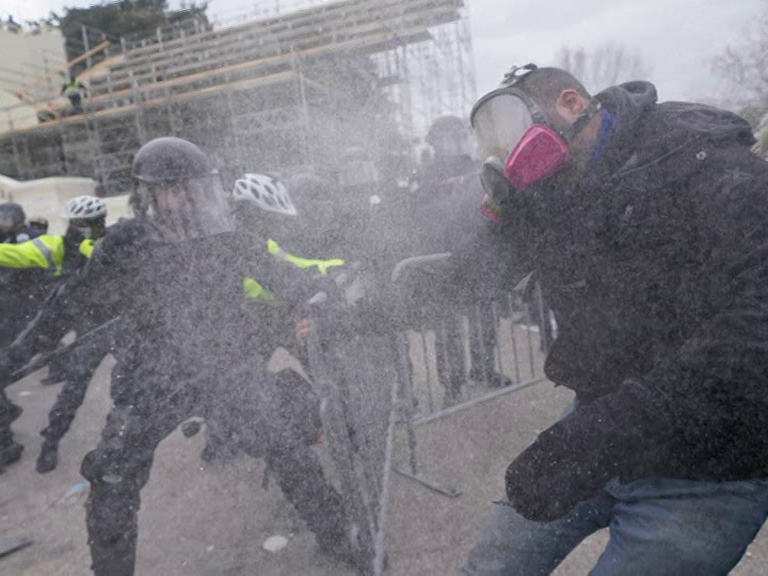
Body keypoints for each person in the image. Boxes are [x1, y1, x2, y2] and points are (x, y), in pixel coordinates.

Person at [459, 63, 768, 574]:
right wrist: (367, 307)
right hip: (600, 425)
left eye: (512, 129)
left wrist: (622, 422)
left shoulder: (702, 164)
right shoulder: (557, 193)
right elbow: (476, 270)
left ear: (572, 104)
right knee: (492, 565)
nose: (507, 154)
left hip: (708, 466)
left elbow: (756, 323)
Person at [17, 137, 356, 575]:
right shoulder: (127, 242)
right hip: (151, 378)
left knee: (285, 444)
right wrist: (17, 355)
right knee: (112, 480)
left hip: (224, 367)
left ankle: (338, 534)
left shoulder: (228, 236)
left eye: (194, 187)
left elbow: (280, 274)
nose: (187, 198)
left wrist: (324, 293)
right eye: (174, 189)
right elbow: (69, 302)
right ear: (149, 195)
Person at [0, 195, 109, 472]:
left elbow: (97, 250)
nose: (81, 230)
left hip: (101, 323)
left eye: (87, 224)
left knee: (78, 383)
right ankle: (51, 440)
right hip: (63, 309)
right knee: (17, 356)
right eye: (76, 224)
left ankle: (51, 439)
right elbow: (18, 254)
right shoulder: (59, 245)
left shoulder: (112, 245)